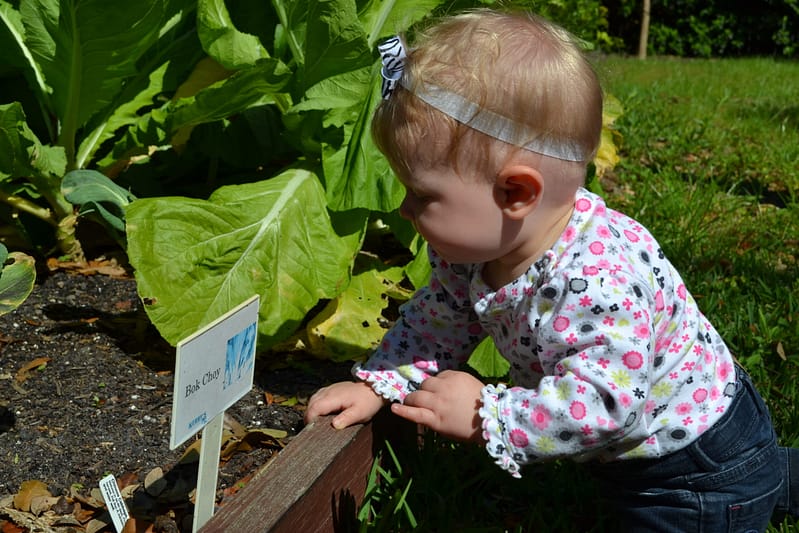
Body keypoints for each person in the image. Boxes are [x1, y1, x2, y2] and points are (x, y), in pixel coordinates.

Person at [304, 9, 799, 532]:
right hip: (658, 450)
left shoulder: (596, 282)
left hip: (693, 471)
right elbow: (439, 321)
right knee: (764, 472)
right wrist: (381, 384)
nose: (404, 210)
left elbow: (606, 406)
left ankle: (755, 481)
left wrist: (487, 416)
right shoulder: (476, 251)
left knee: (737, 485)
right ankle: (769, 474)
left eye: (422, 194)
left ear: (516, 193)